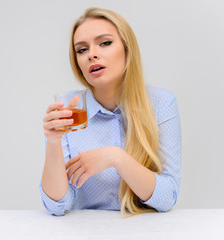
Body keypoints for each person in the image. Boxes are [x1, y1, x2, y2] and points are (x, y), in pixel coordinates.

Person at [40, 7, 181, 217]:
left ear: (127, 48)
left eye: (105, 43)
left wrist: (116, 157)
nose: (92, 54)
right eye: (81, 50)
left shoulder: (161, 103)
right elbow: (57, 206)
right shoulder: (70, 111)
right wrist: (53, 142)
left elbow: (167, 197)